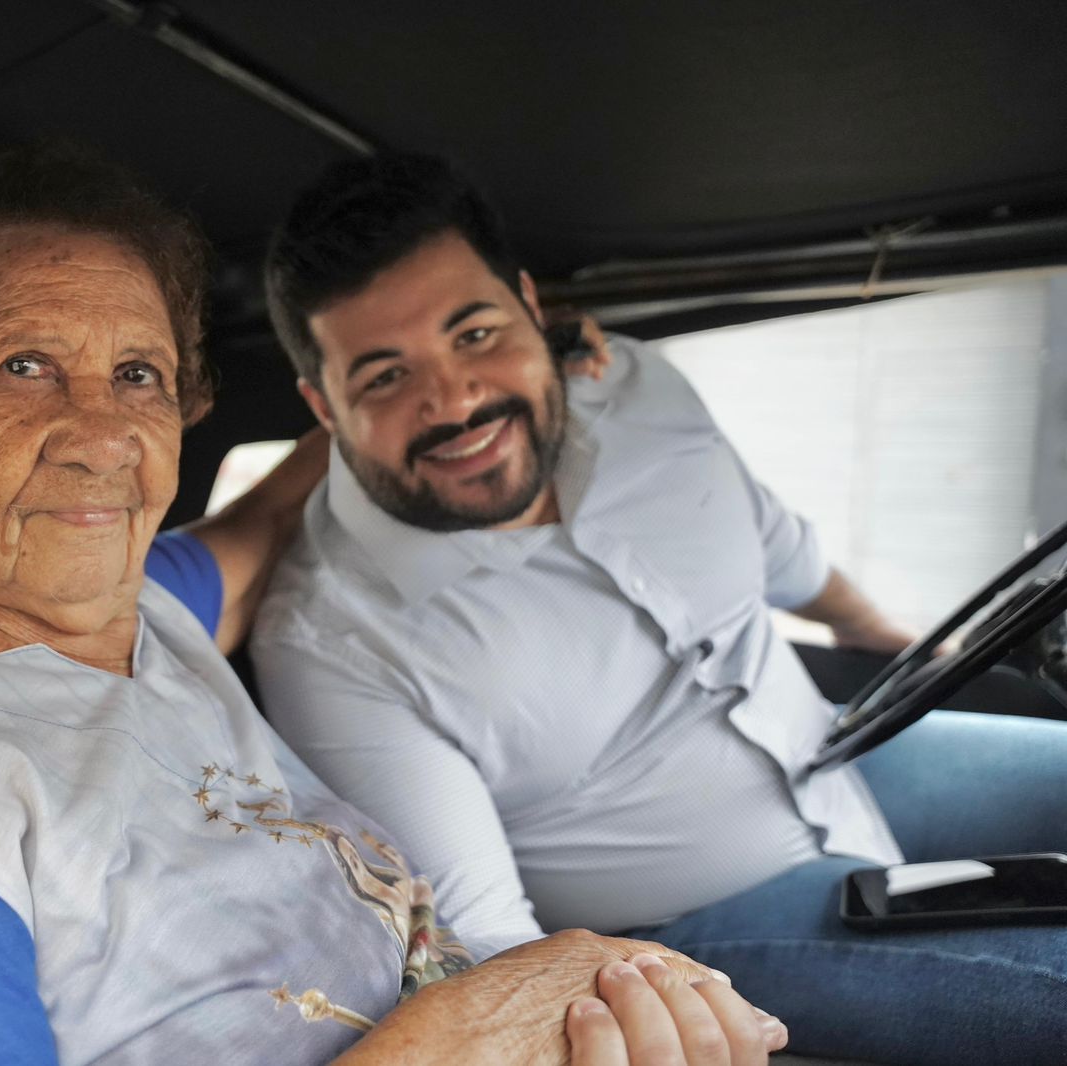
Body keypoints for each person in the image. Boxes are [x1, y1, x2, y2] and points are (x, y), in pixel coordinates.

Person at [0, 142, 788, 1065]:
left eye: (136, 376)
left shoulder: (155, 613)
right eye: (23, 367)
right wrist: (470, 1032)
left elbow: (259, 525)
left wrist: (414, 407)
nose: (101, 436)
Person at [249, 152, 1067, 1064]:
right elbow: (491, 941)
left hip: (845, 748)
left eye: (476, 333)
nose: (457, 399)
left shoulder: (634, 386)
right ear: (324, 406)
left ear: (531, 306)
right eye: (385, 377)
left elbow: (772, 541)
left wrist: (879, 637)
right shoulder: (330, 642)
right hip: (700, 920)